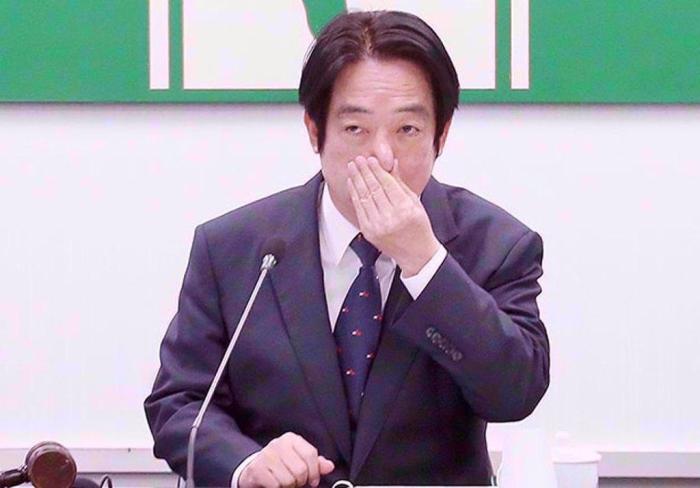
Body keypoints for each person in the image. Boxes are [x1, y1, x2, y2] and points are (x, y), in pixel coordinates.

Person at [145, 10, 549, 488]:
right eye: (356, 129)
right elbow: (179, 404)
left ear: (441, 136)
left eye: (407, 130)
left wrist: (425, 262)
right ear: (315, 131)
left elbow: (514, 394)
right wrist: (246, 463)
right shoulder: (234, 248)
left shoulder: (497, 245)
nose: (382, 156)